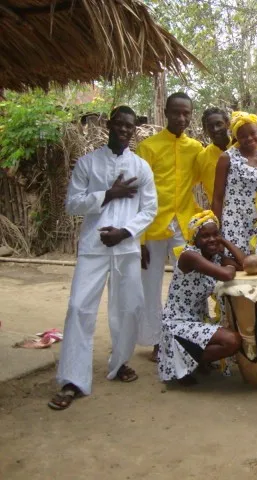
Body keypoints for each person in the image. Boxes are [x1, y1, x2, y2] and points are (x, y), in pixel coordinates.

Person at [48, 106, 157, 410]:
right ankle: (73, 379)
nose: (124, 130)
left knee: (129, 307)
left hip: (125, 247)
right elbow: (72, 204)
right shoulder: (87, 163)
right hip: (94, 247)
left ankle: (119, 361)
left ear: (134, 131)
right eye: (119, 124)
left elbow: (149, 209)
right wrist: (108, 194)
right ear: (109, 125)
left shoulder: (141, 167)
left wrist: (125, 232)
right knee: (79, 307)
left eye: (129, 127)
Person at [136, 92, 204, 362]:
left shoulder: (195, 149)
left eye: (186, 113)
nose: (181, 117)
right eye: (176, 112)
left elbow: (205, 177)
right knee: (150, 286)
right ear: (165, 112)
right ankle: (155, 341)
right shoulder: (148, 148)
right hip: (152, 226)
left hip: (183, 226)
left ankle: (185, 337)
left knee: (186, 282)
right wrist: (139, 240)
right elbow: (138, 196)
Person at [158, 211, 244, 385]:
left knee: (237, 335)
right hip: (177, 325)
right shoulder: (189, 256)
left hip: (196, 322)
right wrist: (227, 265)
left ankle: (193, 361)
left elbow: (246, 263)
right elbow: (227, 274)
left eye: (215, 234)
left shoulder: (212, 256)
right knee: (233, 341)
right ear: (194, 239)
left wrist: (224, 242)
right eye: (205, 236)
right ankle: (187, 362)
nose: (212, 239)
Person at [212, 111, 257, 255]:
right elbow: (217, 197)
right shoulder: (227, 158)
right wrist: (217, 231)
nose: (249, 138)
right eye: (243, 136)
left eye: (252, 133)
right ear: (236, 137)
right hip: (234, 222)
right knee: (235, 264)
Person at [196, 108, 231, 204]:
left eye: (219, 124)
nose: (215, 129)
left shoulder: (242, 148)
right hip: (219, 215)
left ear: (227, 124)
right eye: (210, 127)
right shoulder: (202, 158)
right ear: (205, 130)